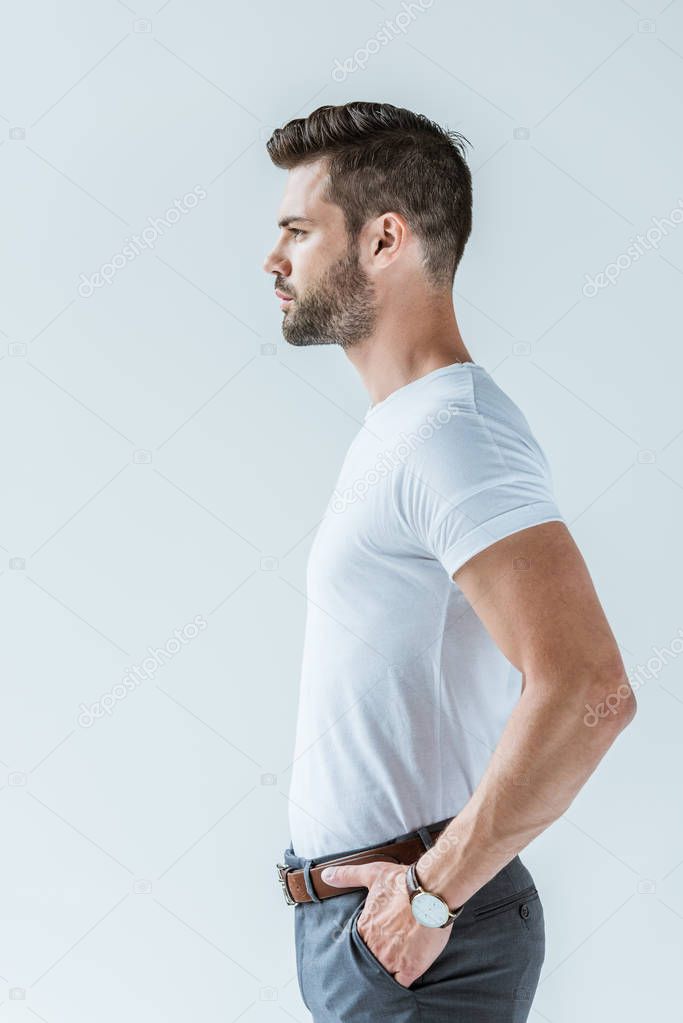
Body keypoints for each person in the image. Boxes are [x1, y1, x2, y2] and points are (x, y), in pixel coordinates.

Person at [262, 101, 636, 1022]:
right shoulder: (402, 431)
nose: (273, 261)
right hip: (377, 931)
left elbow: (590, 688)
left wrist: (428, 895)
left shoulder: (451, 434)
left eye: (298, 232)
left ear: (384, 238)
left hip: (423, 938)